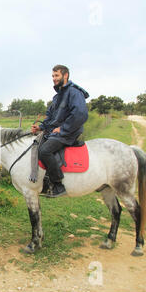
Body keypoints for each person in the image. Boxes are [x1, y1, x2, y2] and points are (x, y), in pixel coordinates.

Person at [31, 65, 89, 197]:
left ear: (65, 75)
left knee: (45, 151)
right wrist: (40, 127)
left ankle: (58, 184)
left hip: (69, 133)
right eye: (53, 76)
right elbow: (50, 117)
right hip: (56, 132)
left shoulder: (74, 92)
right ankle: (44, 180)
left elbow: (80, 114)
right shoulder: (57, 97)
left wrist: (63, 128)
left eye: (56, 76)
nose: (54, 79)